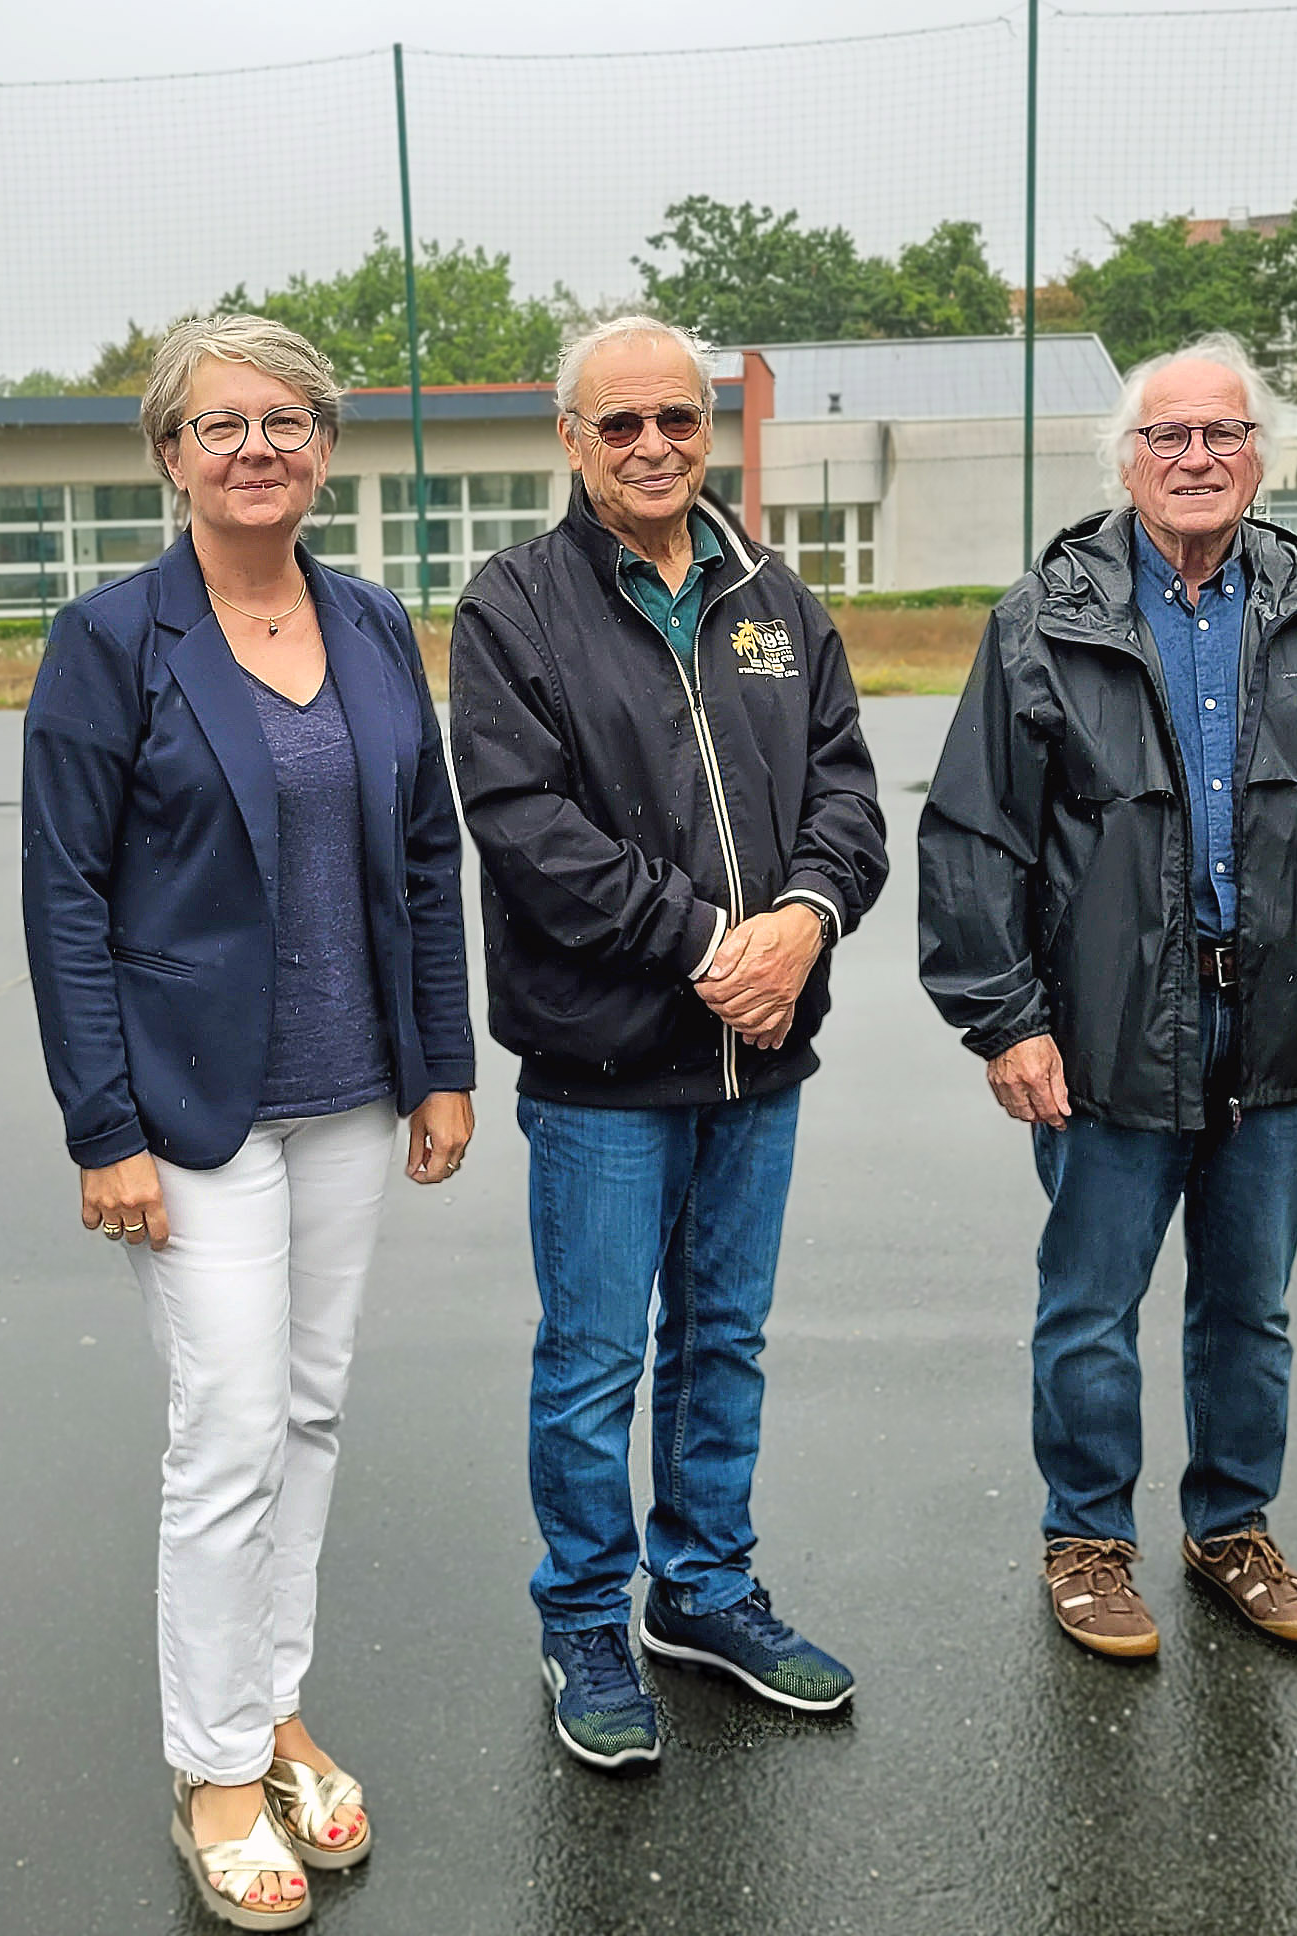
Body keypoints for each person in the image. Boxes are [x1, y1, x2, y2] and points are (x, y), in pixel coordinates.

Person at [21, 315, 473, 1928]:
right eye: (220, 424)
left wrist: (441, 1062)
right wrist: (101, 1126)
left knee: (310, 1413)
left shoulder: (365, 621)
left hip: (351, 1093)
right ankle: (213, 1765)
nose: (255, 448)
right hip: (190, 1109)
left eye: (284, 421)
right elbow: (64, 895)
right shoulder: (108, 638)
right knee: (223, 1439)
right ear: (168, 453)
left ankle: (275, 1710)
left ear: (323, 446)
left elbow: (425, 855)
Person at [918, 331, 1297, 1659]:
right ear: (1126, 459)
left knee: (1248, 1309)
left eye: (1221, 434)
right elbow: (973, 837)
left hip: (1280, 1030)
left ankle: (1232, 1531)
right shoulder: (1040, 621)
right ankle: (1087, 1543)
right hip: (1105, 1035)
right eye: (1168, 436)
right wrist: (1008, 1020)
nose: (1196, 458)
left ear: (1259, 457)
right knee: (1089, 1307)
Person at [447, 315, 888, 1770]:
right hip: (604, 1069)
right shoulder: (513, 606)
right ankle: (584, 1617)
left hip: (762, 1058)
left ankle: (701, 1591)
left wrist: (807, 920)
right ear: (569, 439)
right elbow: (525, 831)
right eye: (619, 424)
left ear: (712, 430)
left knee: (724, 1343)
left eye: (677, 421)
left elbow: (846, 796)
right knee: (591, 1360)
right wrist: (712, 943)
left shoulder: (775, 596)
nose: (652, 447)